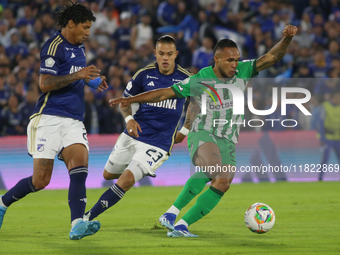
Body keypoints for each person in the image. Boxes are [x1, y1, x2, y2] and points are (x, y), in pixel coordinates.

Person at [110, 25, 298, 237]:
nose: (235, 65)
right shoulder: (201, 79)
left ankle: (180, 224)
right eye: (230, 60)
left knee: (223, 182)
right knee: (213, 168)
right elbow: (164, 93)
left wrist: (286, 39)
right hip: (203, 131)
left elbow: (272, 57)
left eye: (237, 59)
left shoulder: (243, 70)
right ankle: (171, 214)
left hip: (228, 138)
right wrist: (131, 100)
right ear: (216, 59)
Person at [0, 3, 108, 240]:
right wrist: (79, 75)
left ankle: (77, 223)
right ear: (71, 24)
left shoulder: (80, 48)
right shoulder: (53, 46)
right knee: (40, 181)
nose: (88, 32)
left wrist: (91, 81)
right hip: (48, 118)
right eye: (85, 27)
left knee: (80, 168)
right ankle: (2, 203)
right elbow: (45, 83)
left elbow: (76, 78)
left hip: (74, 121)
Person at [83, 35, 192, 223]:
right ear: (155, 54)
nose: (165, 58)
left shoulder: (186, 78)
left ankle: (86, 219)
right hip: (134, 134)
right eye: (161, 54)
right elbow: (124, 103)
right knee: (108, 174)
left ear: (176, 55)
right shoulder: (143, 75)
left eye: (169, 54)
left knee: (124, 181)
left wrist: (186, 129)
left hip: (159, 142)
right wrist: (129, 119)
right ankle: (135, 168)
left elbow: (197, 103)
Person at [318, 90, 340, 181]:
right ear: (334, 97)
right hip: (328, 137)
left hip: (338, 137)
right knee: (325, 158)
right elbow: (321, 121)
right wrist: (322, 137)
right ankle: (320, 178)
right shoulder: (325, 106)